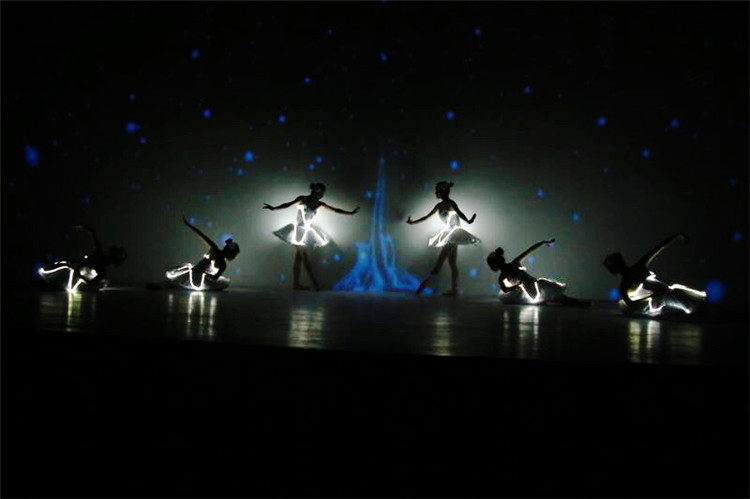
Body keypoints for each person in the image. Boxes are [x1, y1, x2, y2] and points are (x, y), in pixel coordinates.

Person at [264, 182, 359, 291]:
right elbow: (287, 204)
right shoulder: (302, 199)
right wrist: (274, 208)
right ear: (316, 191)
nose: (322, 195)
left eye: (323, 193)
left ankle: (296, 285)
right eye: (322, 192)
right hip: (298, 232)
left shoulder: (319, 204)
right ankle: (314, 284)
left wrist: (350, 213)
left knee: (299, 258)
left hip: (306, 231)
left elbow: (335, 209)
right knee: (304, 258)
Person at [603, 233, 706, 316]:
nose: (621, 265)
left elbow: (659, 247)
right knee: (680, 300)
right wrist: (651, 297)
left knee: (679, 295)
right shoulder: (624, 284)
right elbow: (630, 303)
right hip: (657, 303)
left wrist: (677, 236)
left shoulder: (639, 267)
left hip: (666, 296)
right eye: (618, 264)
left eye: (620, 262)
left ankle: (694, 311)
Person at [406, 181, 479, 296]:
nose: (435, 193)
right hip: (450, 235)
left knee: (440, 263)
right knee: (452, 263)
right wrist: (413, 222)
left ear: (442, 192)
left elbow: (460, 214)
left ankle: (423, 287)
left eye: (437, 191)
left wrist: (469, 221)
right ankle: (454, 289)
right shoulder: (439, 205)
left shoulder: (451, 203)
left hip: (452, 235)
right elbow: (426, 217)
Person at [486, 239, 589, 305]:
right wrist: (517, 286)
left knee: (558, 297)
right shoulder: (504, 274)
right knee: (556, 298)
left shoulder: (511, 266)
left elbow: (530, 250)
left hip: (536, 285)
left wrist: (543, 242)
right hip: (532, 289)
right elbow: (504, 289)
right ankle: (578, 303)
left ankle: (577, 302)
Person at [37, 224, 127, 291]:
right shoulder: (99, 255)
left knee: (67, 268)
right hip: (78, 271)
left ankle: (50, 280)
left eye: (117, 254)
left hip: (81, 277)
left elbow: (91, 283)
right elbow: (93, 234)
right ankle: (47, 278)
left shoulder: (102, 270)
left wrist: (80, 275)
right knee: (65, 265)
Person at [164, 216, 240, 291]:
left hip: (203, 278)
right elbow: (202, 235)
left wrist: (203, 272)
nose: (225, 251)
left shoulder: (223, 264)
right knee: (178, 279)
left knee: (180, 281)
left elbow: (215, 277)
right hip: (195, 272)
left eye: (228, 251)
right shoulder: (215, 250)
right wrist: (189, 225)